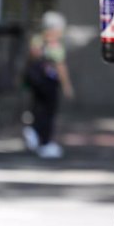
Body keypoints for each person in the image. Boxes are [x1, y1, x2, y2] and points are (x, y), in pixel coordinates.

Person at [22, 10, 74, 159]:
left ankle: (34, 132)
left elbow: (32, 57)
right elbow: (60, 66)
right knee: (48, 113)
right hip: (49, 84)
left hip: (36, 82)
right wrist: (66, 85)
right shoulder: (54, 45)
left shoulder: (37, 40)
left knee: (38, 109)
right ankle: (44, 141)